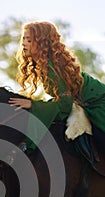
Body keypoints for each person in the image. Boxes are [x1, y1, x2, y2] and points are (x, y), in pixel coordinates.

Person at [8, 21, 105, 152]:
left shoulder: (52, 68)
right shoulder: (45, 66)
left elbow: (65, 105)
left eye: (29, 40)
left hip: (99, 105)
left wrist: (34, 105)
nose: (24, 43)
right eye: (24, 39)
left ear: (43, 43)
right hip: (84, 103)